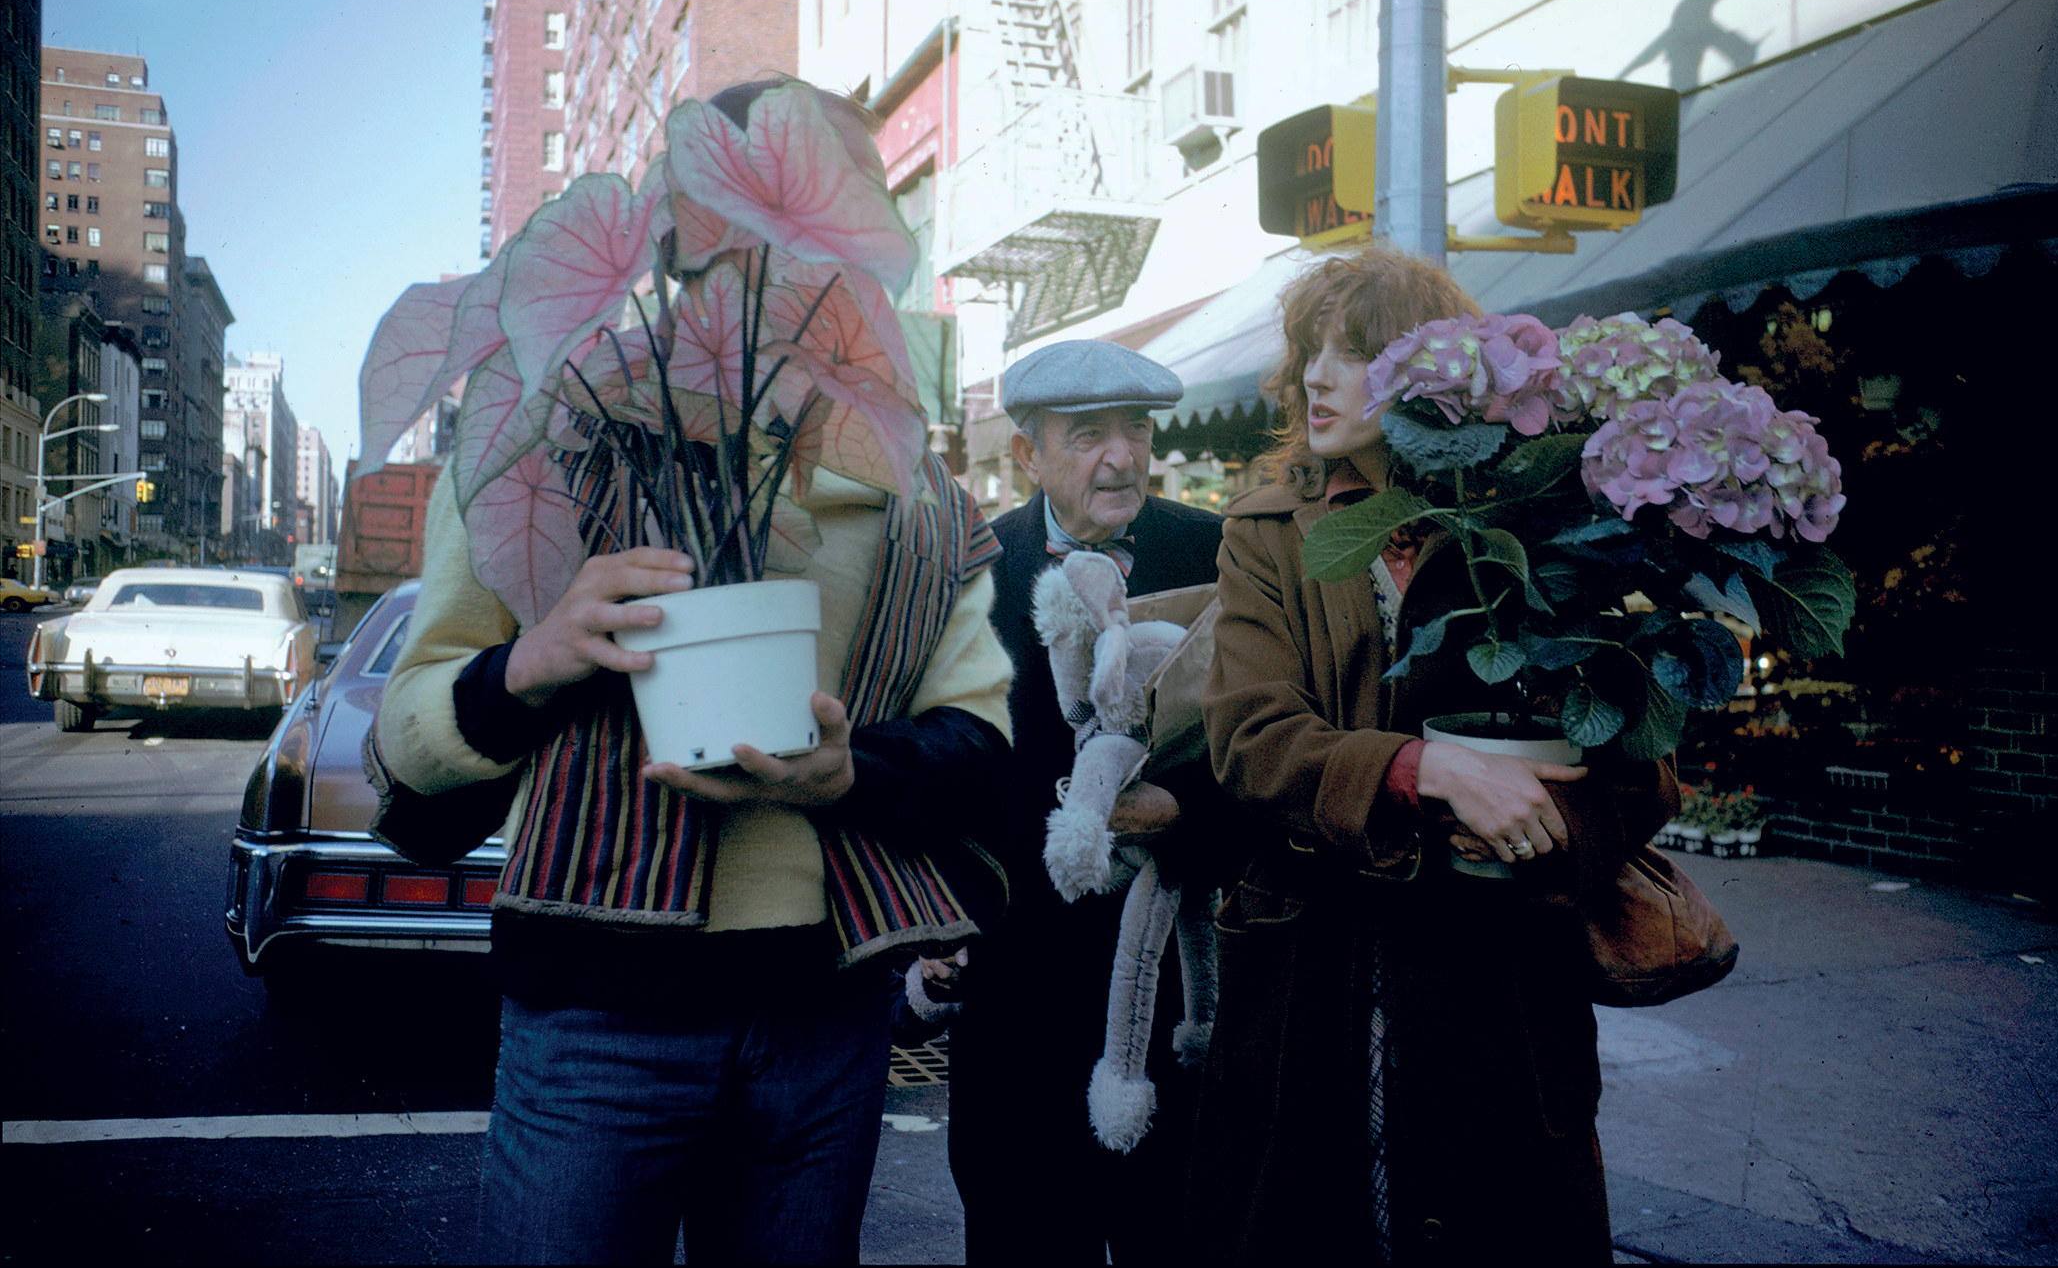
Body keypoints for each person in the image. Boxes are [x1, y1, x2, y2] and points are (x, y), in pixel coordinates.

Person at [374, 432, 1014, 1253]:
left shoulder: (923, 497)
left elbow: (978, 741)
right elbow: (408, 740)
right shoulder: (541, 447)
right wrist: (532, 661)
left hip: (824, 1019)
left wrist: (853, 771)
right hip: (594, 1010)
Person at [1187, 246, 1679, 1264]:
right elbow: (1250, 736)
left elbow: (1642, 763)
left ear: (1433, 377)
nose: (1316, 376)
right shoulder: (1270, 529)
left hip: (1495, 987)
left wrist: (1543, 832)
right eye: (1307, 353)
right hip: (1314, 982)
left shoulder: (1546, 522)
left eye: (1353, 353)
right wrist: (1430, 770)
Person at [942, 339, 1229, 1264]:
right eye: (1088, 435)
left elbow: (1263, 746)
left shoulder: (1220, 554)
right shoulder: (972, 569)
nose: (1122, 456)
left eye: (1137, 430)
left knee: (1181, 1235)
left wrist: (1184, 815)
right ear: (1027, 454)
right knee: (1023, 1234)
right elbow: (951, 765)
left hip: (1182, 991)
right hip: (1016, 998)